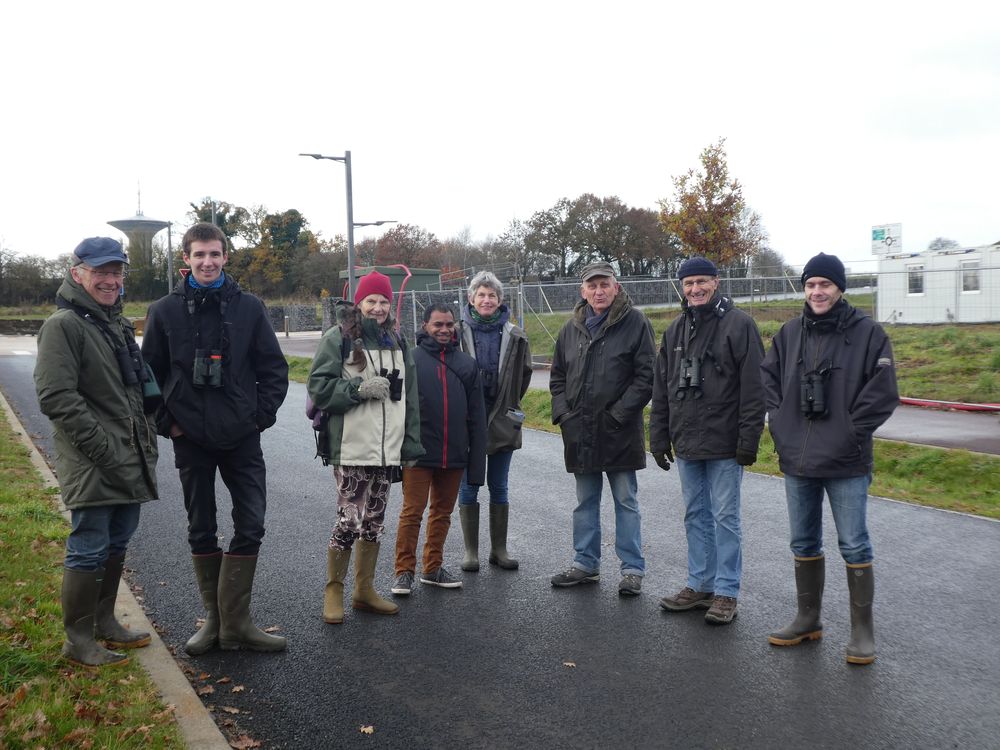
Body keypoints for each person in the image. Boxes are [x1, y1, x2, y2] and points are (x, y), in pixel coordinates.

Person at [142, 222, 289, 654]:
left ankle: (237, 623)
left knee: (251, 524)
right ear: (185, 259)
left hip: (241, 436)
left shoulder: (249, 308)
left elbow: (273, 370)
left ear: (226, 256)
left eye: (215, 254)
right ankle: (214, 620)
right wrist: (168, 423)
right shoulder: (164, 311)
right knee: (201, 528)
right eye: (199, 254)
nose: (208, 262)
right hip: (191, 437)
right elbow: (148, 375)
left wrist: (257, 418)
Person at [761, 252, 899, 665]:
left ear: (840, 288)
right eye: (810, 285)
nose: (817, 292)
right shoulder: (788, 334)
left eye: (825, 284)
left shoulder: (869, 335)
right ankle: (808, 618)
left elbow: (883, 393)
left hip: (846, 460)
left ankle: (862, 631)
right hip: (797, 459)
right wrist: (781, 424)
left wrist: (847, 433)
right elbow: (766, 379)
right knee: (802, 540)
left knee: (854, 543)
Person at [35, 237, 158, 667]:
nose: (110, 280)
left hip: (127, 455)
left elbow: (131, 393)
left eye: (116, 272)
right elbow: (56, 398)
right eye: (101, 272)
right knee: (89, 545)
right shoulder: (64, 325)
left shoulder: (115, 324)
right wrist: (104, 449)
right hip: (94, 460)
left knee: (117, 540)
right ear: (77, 273)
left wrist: (145, 433)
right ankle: (78, 641)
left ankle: (105, 622)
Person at [649, 256, 765, 625]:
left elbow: (754, 390)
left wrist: (749, 439)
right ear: (681, 287)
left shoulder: (740, 325)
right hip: (687, 441)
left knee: (725, 518)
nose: (695, 289)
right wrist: (658, 435)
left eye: (701, 281)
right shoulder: (675, 331)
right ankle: (699, 585)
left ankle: (726, 592)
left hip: (725, 443)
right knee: (694, 515)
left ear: (716, 282)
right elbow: (662, 388)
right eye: (688, 283)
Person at [307, 271, 423, 622]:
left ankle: (364, 590)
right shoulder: (337, 338)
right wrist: (357, 390)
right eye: (371, 300)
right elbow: (319, 387)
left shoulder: (398, 342)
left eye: (384, 301)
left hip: (388, 451)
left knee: (374, 520)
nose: (377, 307)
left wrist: (410, 446)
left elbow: (411, 399)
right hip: (353, 447)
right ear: (359, 303)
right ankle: (334, 591)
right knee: (349, 520)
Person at [549, 261, 655, 595]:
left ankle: (632, 569)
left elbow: (646, 377)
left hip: (620, 432)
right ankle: (585, 564)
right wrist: (565, 416)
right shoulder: (570, 329)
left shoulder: (636, 323)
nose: (598, 291)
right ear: (583, 291)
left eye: (604, 285)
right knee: (585, 502)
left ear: (616, 287)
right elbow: (557, 378)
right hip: (580, 433)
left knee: (626, 501)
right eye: (592, 286)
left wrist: (618, 415)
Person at [391, 304, 487, 594]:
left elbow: (477, 415)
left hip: (456, 453)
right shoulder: (410, 360)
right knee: (412, 513)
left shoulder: (467, 364)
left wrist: (476, 464)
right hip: (418, 453)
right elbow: (397, 409)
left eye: (448, 325)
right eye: (437, 325)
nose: (444, 330)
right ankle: (403, 572)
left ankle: (432, 568)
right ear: (424, 326)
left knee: (442, 514)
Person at [457, 271, 532, 572]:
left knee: (499, 486)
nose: (487, 300)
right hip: (467, 422)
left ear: (500, 300)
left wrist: (509, 403)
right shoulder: (457, 332)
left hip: (503, 419)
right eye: (481, 294)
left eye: (492, 295)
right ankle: (471, 552)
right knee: (468, 487)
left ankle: (499, 550)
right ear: (471, 299)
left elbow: (524, 376)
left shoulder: (516, 335)